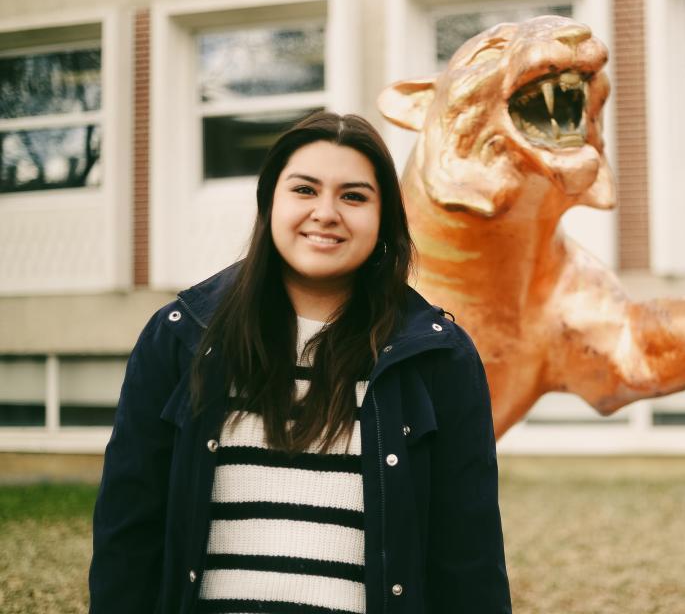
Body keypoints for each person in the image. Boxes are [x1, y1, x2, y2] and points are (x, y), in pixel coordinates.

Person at [89, 111, 512, 614]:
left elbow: (468, 559)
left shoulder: (439, 357)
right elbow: (127, 536)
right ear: (270, 203)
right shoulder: (182, 337)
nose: (327, 212)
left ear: (384, 220)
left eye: (353, 196)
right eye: (305, 190)